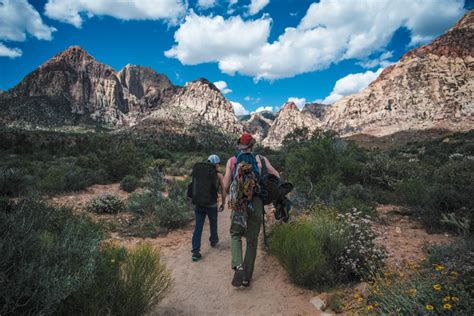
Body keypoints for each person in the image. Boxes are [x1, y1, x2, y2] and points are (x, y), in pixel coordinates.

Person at [222, 133, 280, 287]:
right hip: (256, 201)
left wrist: (225, 199)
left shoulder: (232, 160)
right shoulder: (261, 160)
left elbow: (225, 184)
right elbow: (276, 176)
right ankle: (247, 277)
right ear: (252, 145)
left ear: (239, 145)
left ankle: (238, 266)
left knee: (235, 234)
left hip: (238, 202)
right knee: (252, 240)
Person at [191, 154, 226, 262]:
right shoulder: (218, 175)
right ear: (217, 164)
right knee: (213, 223)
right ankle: (213, 240)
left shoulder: (200, 171)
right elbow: (224, 190)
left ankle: (195, 252)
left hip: (199, 204)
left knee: (198, 227)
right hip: (211, 205)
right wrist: (223, 203)